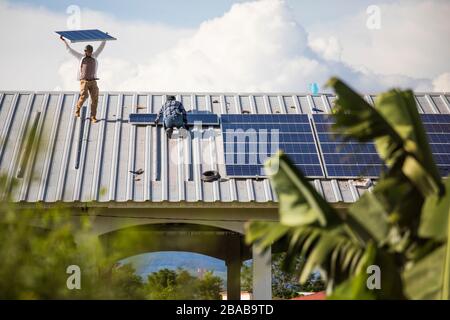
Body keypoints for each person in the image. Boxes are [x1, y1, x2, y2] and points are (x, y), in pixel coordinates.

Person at [60, 36, 106, 123]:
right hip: (84, 81)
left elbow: (101, 48)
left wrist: (104, 39)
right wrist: (64, 41)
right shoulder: (81, 57)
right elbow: (70, 50)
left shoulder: (94, 56)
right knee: (84, 96)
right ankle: (77, 109)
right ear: (85, 51)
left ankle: (93, 117)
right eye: (87, 51)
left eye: (90, 52)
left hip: (93, 81)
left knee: (95, 98)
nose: (89, 53)